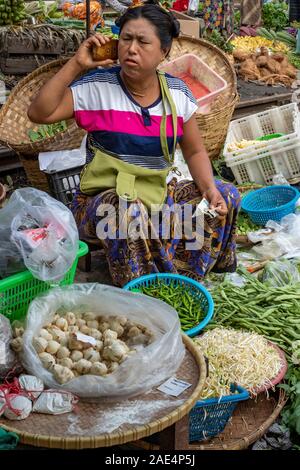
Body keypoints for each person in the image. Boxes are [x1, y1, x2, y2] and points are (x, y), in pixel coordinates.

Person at [28, 0, 240, 287]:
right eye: (126, 38)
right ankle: (143, 288)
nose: (132, 48)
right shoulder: (97, 87)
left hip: (156, 197)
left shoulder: (177, 93)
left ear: (164, 51)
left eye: (143, 41)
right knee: (126, 209)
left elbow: (194, 150)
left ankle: (187, 280)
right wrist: (77, 64)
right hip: (101, 204)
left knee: (225, 195)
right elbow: (39, 113)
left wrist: (209, 189)